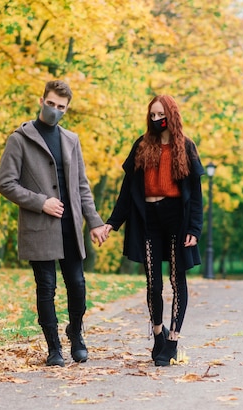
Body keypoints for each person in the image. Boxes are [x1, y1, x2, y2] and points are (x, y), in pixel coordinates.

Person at [0, 80, 107, 367]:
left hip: (70, 225)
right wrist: (40, 201)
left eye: (61, 107)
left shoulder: (71, 140)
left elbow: (82, 186)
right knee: (46, 287)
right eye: (51, 104)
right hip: (39, 227)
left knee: (77, 284)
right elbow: (6, 184)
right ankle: (54, 347)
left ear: (66, 109)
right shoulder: (19, 139)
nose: (55, 110)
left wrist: (94, 221)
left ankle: (76, 333)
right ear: (41, 100)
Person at [104, 95, 204, 366]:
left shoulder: (186, 146)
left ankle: (173, 342)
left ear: (172, 115)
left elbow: (195, 195)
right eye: (152, 115)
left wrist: (194, 228)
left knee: (176, 279)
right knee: (153, 282)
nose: (157, 119)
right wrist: (112, 223)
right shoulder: (142, 145)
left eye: (161, 114)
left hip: (176, 219)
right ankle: (159, 334)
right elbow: (127, 192)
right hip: (147, 218)